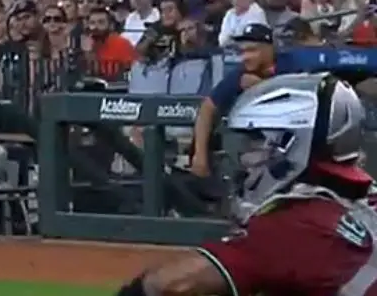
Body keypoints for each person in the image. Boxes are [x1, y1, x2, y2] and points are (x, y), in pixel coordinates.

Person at [119, 73, 377, 295]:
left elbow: (171, 284)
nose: (245, 157)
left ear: (290, 144)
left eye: (256, 142)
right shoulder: (362, 200)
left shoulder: (292, 224)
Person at [190, 23, 291, 177]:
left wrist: (264, 87)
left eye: (252, 50)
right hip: (255, 145)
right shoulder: (241, 74)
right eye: (242, 52)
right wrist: (200, 155)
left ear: (269, 49)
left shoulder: (289, 65)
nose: (245, 57)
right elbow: (207, 108)